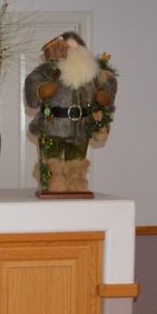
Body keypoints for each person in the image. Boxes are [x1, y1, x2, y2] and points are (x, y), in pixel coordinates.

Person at [24, 31, 117, 194]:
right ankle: (50, 188)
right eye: (69, 48)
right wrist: (40, 90)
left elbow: (109, 83)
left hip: (82, 128)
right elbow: (32, 83)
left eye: (76, 48)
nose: (73, 53)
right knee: (51, 163)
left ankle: (75, 189)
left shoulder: (93, 73)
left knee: (76, 165)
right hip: (52, 126)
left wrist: (105, 97)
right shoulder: (48, 70)